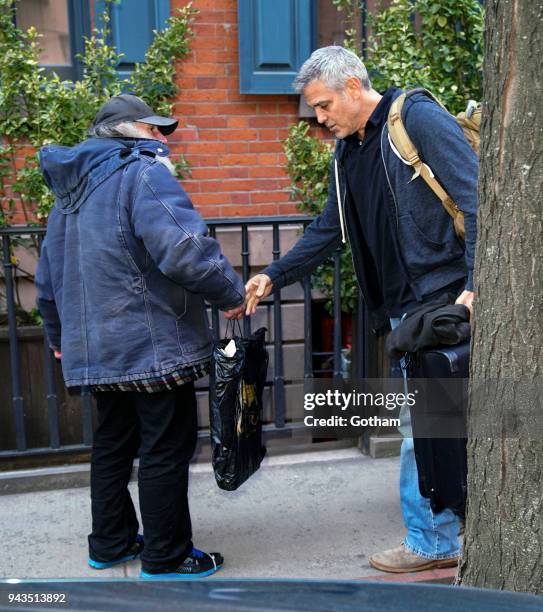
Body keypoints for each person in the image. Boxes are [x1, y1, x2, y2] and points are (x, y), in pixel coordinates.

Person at [245, 46, 477, 573]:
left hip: (441, 300)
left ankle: (433, 542)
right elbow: (330, 228)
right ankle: (446, 533)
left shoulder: (414, 117)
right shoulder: (348, 152)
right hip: (403, 310)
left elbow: (477, 196)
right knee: (433, 426)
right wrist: (273, 275)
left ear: (353, 86)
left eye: (324, 105)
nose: (320, 119)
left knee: (424, 427)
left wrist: (475, 288)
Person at [35, 94, 245, 579]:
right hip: (152, 348)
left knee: (112, 445)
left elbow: (47, 281)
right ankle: (167, 557)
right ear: (125, 131)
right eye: (154, 130)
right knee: (165, 447)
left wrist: (59, 336)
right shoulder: (142, 174)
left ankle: (110, 544)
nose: (161, 139)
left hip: (98, 349)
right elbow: (185, 247)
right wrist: (229, 292)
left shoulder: (68, 196)